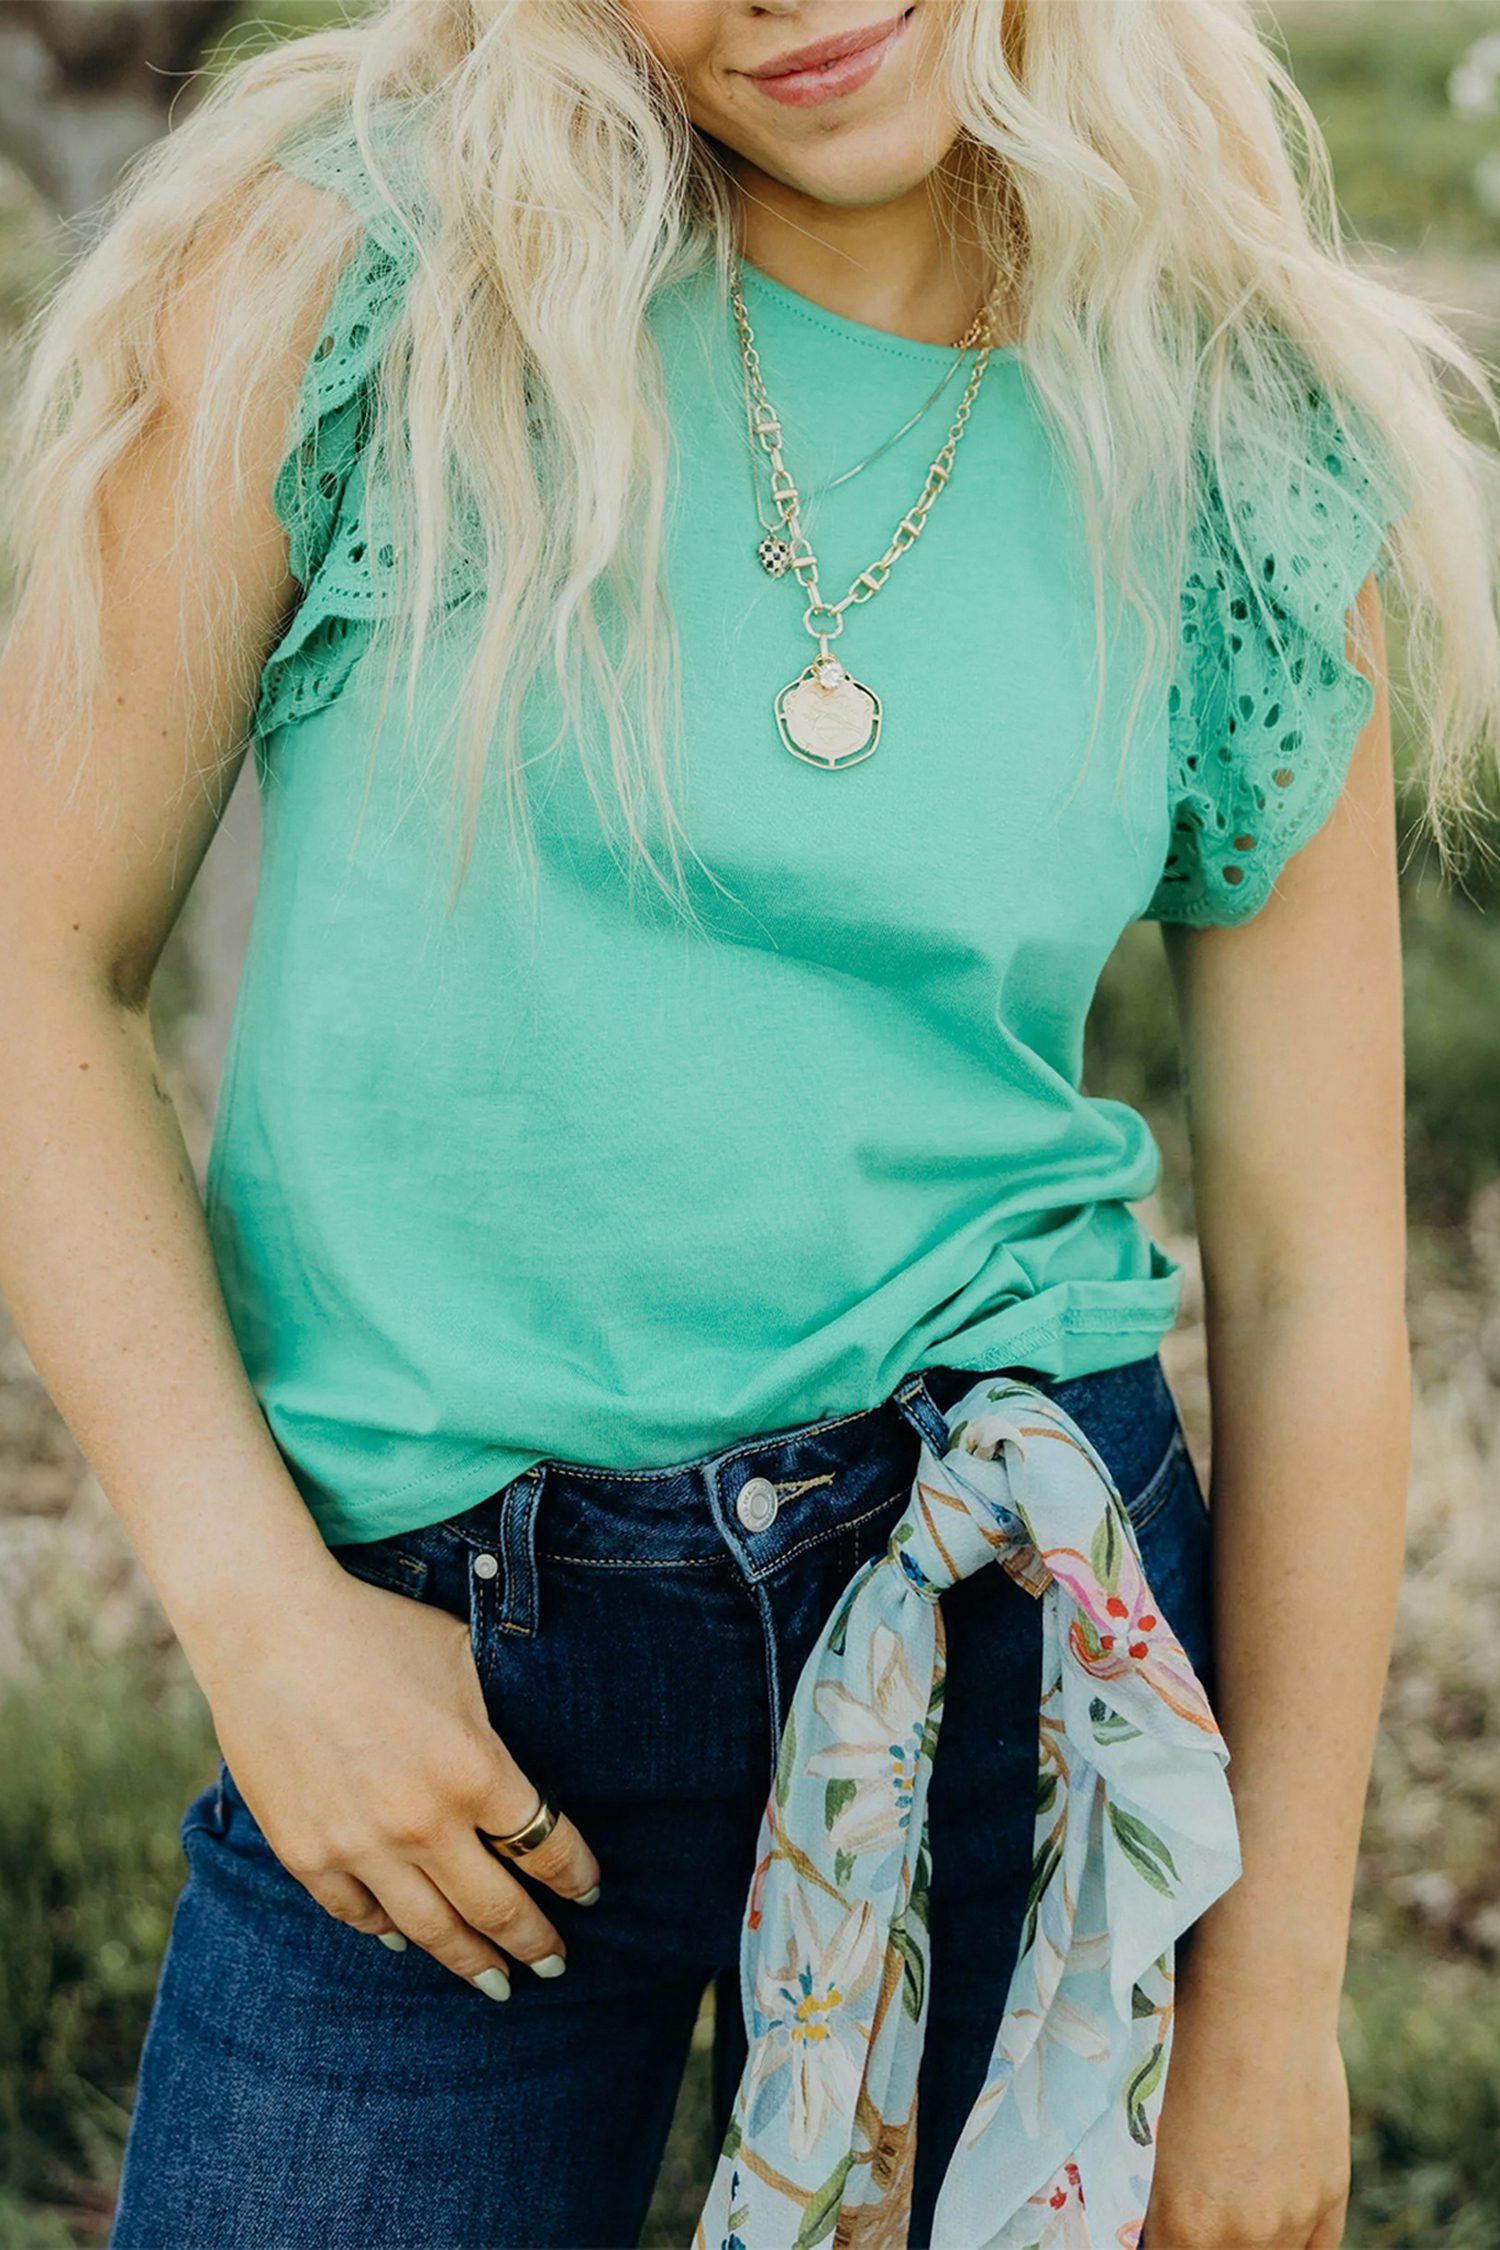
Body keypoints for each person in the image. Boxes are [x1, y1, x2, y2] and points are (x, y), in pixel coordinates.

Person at [1, 1, 1496, 2244]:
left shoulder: (1234, 426)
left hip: (1019, 1638)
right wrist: (259, 1623)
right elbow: (35, 964)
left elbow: (1306, 1285)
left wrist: (1268, 1986)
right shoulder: (361, 281)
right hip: (447, 1700)